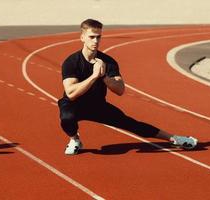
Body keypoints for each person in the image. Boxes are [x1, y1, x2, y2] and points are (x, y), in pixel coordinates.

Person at [58, 19, 198, 155]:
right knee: (67, 118)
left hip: (98, 105)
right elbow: (71, 93)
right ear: (82, 37)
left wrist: (103, 76)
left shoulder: (108, 62)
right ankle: (75, 140)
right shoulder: (71, 62)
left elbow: (120, 90)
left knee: (132, 125)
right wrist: (94, 76)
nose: (96, 41)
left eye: (98, 37)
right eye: (92, 37)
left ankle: (175, 139)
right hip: (74, 104)